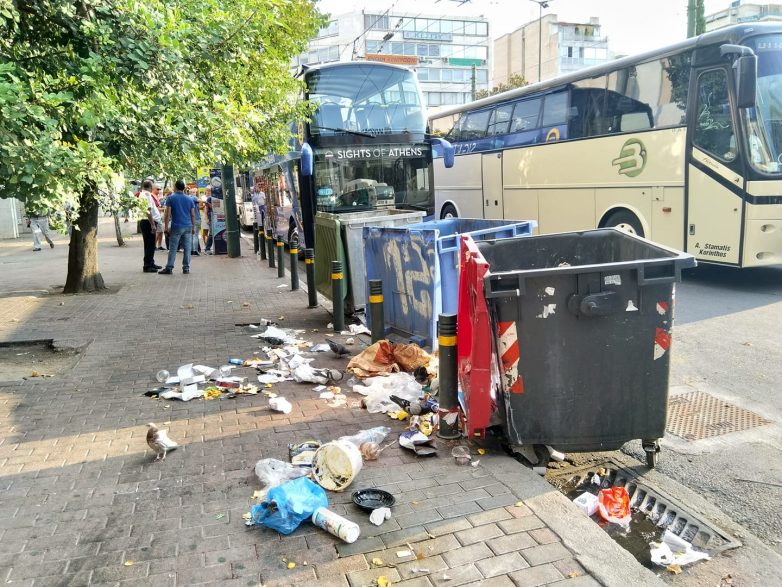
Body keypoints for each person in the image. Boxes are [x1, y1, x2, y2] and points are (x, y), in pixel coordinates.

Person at [159, 179, 196, 275]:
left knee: (173, 248)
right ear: (184, 188)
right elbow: (192, 214)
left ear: (175, 187)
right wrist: (193, 227)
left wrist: (166, 227)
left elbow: (167, 214)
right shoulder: (190, 199)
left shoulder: (171, 198)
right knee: (187, 248)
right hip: (188, 226)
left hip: (176, 226)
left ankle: (169, 267)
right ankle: (186, 268)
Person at [138, 179, 161, 273]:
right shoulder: (147, 195)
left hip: (146, 221)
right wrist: (152, 224)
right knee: (150, 244)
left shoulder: (142, 194)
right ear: (151, 187)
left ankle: (150, 262)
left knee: (149, 244)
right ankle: (147, 265)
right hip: (148, 222)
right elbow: (148, 210)